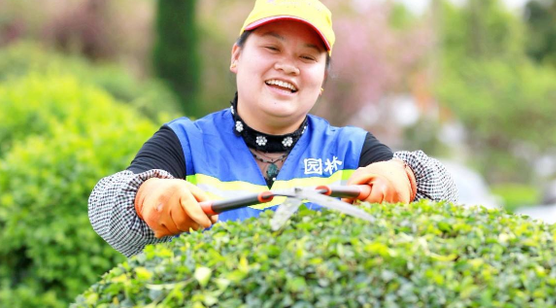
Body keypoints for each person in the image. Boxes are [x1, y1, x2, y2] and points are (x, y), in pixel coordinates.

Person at [88, 0, 458, 257]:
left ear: (323, 78)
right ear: (236, 56)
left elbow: (448, 199)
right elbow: (106, 205)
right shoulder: (183, 142)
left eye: (307, 57)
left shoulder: (351, 148)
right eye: (271, 48)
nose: (288, 66)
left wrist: (407, 177)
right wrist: (149, 195)